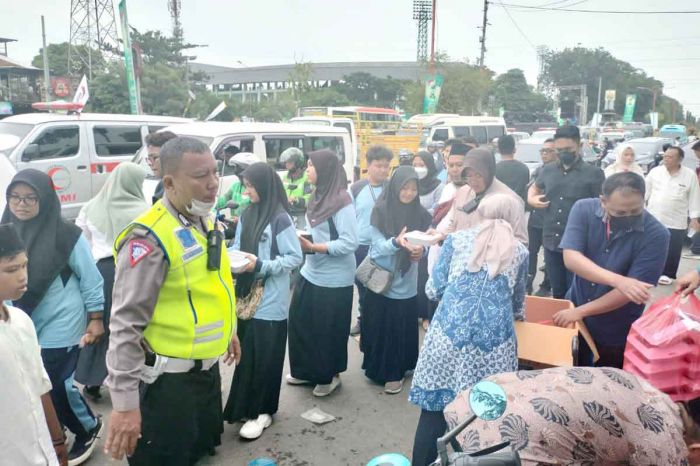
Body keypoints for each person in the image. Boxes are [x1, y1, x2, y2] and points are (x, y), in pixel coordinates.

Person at [103, 137, 241, 466]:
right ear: (169, 182)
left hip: (203, 379)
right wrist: (124, 405)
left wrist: (229, 330)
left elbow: (210, 283)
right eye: (199, 176)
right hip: (167, 387)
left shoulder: (202, 219)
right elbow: (124, 325)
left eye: (214, 173)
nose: (212, 184)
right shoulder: (148, 239)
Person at [409, 194, 529, 466]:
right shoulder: (520, 251)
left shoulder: (456, 240)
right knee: (483, 421)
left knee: (433, 412)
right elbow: (518, 305)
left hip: (446, 341)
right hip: (493, 352)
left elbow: (433, 289)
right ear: (515, 218)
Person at [2, 169, 105, 465]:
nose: (20, 204)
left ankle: (87, 426)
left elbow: (91, 278)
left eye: (29, 198)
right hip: (18, 321)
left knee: (57, 383)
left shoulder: (66, 234)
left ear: (44, 199)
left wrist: (95, 318)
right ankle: (52, 427)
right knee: (28, 382)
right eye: (14, 197)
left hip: (60, 321)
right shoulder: (5, 228)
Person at [443, 367, 698, 465]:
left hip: (479, 402)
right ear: (696, 448)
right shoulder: (664, 442)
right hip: (506, 445)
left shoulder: (643, 387)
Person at [552, 172, 669, 368]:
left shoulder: (657, 234)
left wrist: (581, 311)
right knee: (568, 368)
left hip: (614, 325)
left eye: (636, 211)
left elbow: (630, 294)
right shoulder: (583, 209)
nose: (628, 217)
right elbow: (571, 258)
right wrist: (619, 281)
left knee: (606, 380)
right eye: (621, 213)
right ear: (603, 201)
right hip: (575, 308)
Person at [223, 163, 303, 440]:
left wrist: (261, 265)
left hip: (271, 299)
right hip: (246, 295)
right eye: (244, 186)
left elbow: (294, 258)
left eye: (250, 186)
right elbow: (237, 247)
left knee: (266, 356)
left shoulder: (280, 218)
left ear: (264, 186)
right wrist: (231, 258)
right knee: (248, 355)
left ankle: (263, 411)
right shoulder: (248, 213)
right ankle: (246, 407)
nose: (246, 191)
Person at [75, 162, 149, 401]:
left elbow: (83, 243)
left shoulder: (90, 207)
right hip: (132, 271)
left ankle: (93, 380)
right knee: (129, 325)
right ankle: (132, 379)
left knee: (101, 325)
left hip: (101, 273)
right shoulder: (143, 210)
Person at [287, 149, 358, 397]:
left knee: (327, 330)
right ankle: (307, 371)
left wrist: (315, 247)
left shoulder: (342, 201)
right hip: (311, 270)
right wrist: (302, 238)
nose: (307, 169)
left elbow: (350, 243)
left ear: (325, 170)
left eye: (311, 165)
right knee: (301, 322)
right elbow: (314, 228)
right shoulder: (316, 195)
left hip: (335, 278)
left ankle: (329, 375)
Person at [0, 223, 68, 466]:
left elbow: (40, 385)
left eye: (24, 265)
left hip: (42, 453)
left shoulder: (21, 321)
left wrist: (57, 441)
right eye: (11, 269)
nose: (22, 275)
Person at [361, 167, 431, 394]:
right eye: (405, 187)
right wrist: (396, 242)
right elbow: (377, 248)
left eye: (413, 189)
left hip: (406, 280)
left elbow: (425, 244)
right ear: (395, 187)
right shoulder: (380, 211)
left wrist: (421, 252)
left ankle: (395, 372)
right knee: (379, 325)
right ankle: (376, 367)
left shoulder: (420, 214)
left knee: (399, 326)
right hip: (381, 279)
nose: (409, 193)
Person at [528, 125, 605, 298]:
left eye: (568, 149)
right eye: (559, 149)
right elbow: (534, 188)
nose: (564, 153)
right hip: (551, 241)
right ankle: (560, 324)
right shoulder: (547, 170)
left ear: (579, 146)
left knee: (576, 292)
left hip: (579, 246)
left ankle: (576, 323)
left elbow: (602, 208)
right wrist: (532, 199)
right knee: (558, 291)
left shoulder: (594, 174)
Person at [435, 149, 528, 244]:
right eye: (468, 176)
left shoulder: (510, 201)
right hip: (462, 257)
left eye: (478, 175)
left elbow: (521, 243)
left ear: (489, 172)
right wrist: (442, 236)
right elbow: (454, 225)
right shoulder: (463, 192)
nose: (473, 181)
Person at [349, 145, 392, 336]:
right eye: (378, 165)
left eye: (386, 166)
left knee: (381, 286)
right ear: (368, 166)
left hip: (383, 246)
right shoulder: (357, 188)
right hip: (361, 246)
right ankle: (363, 320)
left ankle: (379, 323)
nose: (383, 170)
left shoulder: (392, 188)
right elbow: (349, 217)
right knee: (363, 285)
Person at [645, 145, 700, 285]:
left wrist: (694, 218)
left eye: (670, 157)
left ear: (679, 159)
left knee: (673, 248)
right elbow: (645, 192)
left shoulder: (689, 175)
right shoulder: (655, 172)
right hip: (654, 216)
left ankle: (668, 273)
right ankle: (650, 272)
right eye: (665, 156)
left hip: (676, 218)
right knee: (652, 247)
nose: (666, 159)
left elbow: (694, 197)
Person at [526, 139, 557, 295]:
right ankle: (528, 282)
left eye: (549, 151)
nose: (545, 154)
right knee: (530, 252)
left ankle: (546, 285)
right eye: (543, 151)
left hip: (552, 221)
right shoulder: (539, 171)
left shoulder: (558, 173)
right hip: (535, 219)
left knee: (550, 255)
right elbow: (529, 191)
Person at [215, 151, 258, 220]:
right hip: (234, 224)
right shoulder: (236, 186)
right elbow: (224, 199)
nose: (235, 171)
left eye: (238, 167)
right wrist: (213, 205)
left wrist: (239, 205)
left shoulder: (257, 189)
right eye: (235, 167)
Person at [280, 147, 314, 229]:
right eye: (285, 162)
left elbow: (309, 199)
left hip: (301, 214)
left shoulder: (306, 177)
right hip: (287, 213)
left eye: (290, 162)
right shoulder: (285, 177)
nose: (286, 164)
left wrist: (296, 200)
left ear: (298, 162)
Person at [495, 134, 530, 205]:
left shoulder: (493, 169)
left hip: (499, 206)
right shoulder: (524, 168)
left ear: (498, 150)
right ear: (514, 150)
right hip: (519, 206)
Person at [145, 131, 177, 204]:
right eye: (149, 159)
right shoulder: (161, 185)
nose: (150, 163)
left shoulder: (185, 188)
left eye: (155, 157)